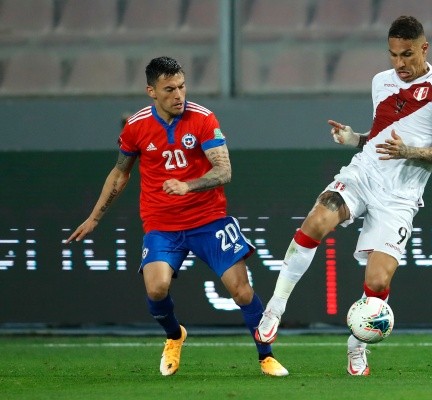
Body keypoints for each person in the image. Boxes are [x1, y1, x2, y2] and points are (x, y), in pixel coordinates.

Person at [255, 16, 432, 376]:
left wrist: (410, 152)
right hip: (364, 174)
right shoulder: (380, 82)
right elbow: (383, 135)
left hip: (400, 195)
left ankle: (357, 347)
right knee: (317, 220)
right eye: (393, 55)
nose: (399, 64)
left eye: (407, 54)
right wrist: (355, 139)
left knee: (378, 281)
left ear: (424, 48)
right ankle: (275, 307)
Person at [66, 56, 288, 377]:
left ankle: (265, 356)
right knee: (155, 290)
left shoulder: (203, 119)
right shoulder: (136, 127)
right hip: (162, 225)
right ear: (151, 92)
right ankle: (174, 335)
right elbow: (120, 174)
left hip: (209, 220)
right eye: (169, 89)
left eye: (182, 86)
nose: (179, 95)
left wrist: (188, 185)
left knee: (240, 290)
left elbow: (224, 170)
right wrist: (95, 218)